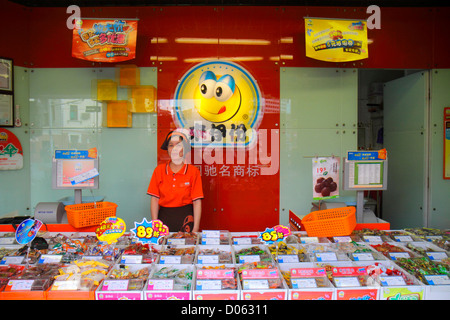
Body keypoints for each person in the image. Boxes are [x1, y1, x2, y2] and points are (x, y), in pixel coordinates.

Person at [147, 130, 203, 233]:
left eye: (178, 145)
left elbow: (197, 202)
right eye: (171, 145)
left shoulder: (193, 171)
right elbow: (154, 199)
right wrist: (155, 224)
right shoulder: (159, 170)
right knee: (163, 248)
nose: (174, 149)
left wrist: (195, 229)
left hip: (186, 218)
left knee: (186, 248)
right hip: (164, 218)